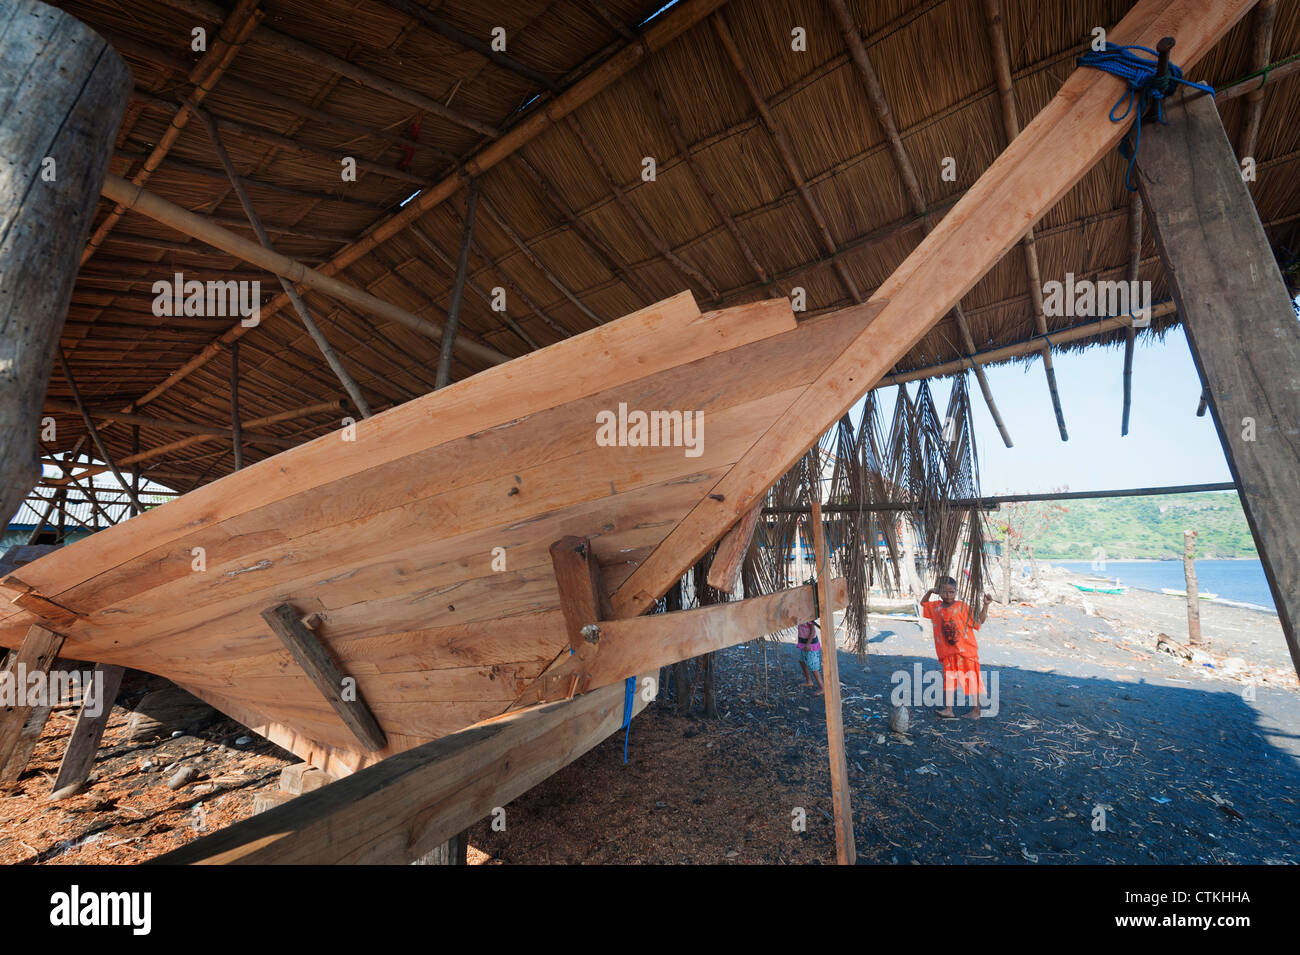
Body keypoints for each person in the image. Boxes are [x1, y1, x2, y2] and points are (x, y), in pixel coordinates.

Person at [920, 576, 993, 719]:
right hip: (948, 652)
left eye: (952, 592)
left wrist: (985, 605)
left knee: (971, 679)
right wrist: (930, 591)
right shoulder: (937, 607)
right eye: (945, 592)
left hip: (966, 651)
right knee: (949, 680)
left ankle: (976, 710)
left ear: (956, 591)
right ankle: (949, 709)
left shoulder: (962, 607)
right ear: (939, 592)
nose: (948, 595)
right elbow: (923, 603)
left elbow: (979, 620)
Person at [796, 618, 824, 695]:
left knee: (813, 666)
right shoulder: (799, 616)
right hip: (803, 643)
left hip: (810, 644)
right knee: (802, 661)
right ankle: (809, 681)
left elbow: (812, 631)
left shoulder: (808, 617)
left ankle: (822, 687)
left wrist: (808, 644)